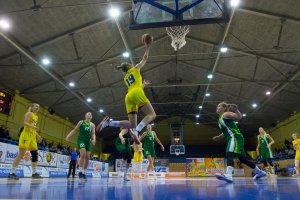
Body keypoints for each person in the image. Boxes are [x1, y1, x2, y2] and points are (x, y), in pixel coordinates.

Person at [96, 40, 155, 145]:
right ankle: (137, 131)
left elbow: (135, 86)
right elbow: (144, 58)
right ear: (129, 66)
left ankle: (109, 123)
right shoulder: (135, 69)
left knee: (131, 124)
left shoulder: (126, 77)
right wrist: (148, 47)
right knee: (152, 114)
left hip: (129, 97)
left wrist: (143, 85)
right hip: (136, 93)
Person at [212, 102, 266, 183]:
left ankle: (229, 175)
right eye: (217, 106)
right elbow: (226, 130)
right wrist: (219, 137)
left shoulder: (226, 114)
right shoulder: (220, 119)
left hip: (235, 137)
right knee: (243, 159)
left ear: (224, 108)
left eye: (219, 106)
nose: (217, 107)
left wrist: (236, 110)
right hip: (235, 137)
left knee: (229, 153)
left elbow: (238, 117)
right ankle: (260, 172)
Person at [8, 103, 42, 180]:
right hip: (26, 135)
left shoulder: (36, 117)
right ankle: (11, 173)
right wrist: (33, 126)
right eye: (36, 106)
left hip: (32, 136)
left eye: (38, 107)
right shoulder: (29, 113)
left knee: (35, 154)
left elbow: (32, 128)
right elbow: (25, 123)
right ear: (32, 107)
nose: (37, 108)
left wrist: (37, 135)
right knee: (21, 154)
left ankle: (34, 173)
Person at [66, 112, 96, 180]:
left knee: (87, 157)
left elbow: (93, 134)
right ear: (85, 116)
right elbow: (74, 130)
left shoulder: (92, 125)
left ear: (91, 117)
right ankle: (80, 171)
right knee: (83, 154)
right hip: (81, 140)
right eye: (88, 114)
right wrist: (68, 135)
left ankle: (84, 173)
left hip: (88, 141)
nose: (90, 115)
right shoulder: (81, 122)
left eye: (91, 114)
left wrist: (94, 139)